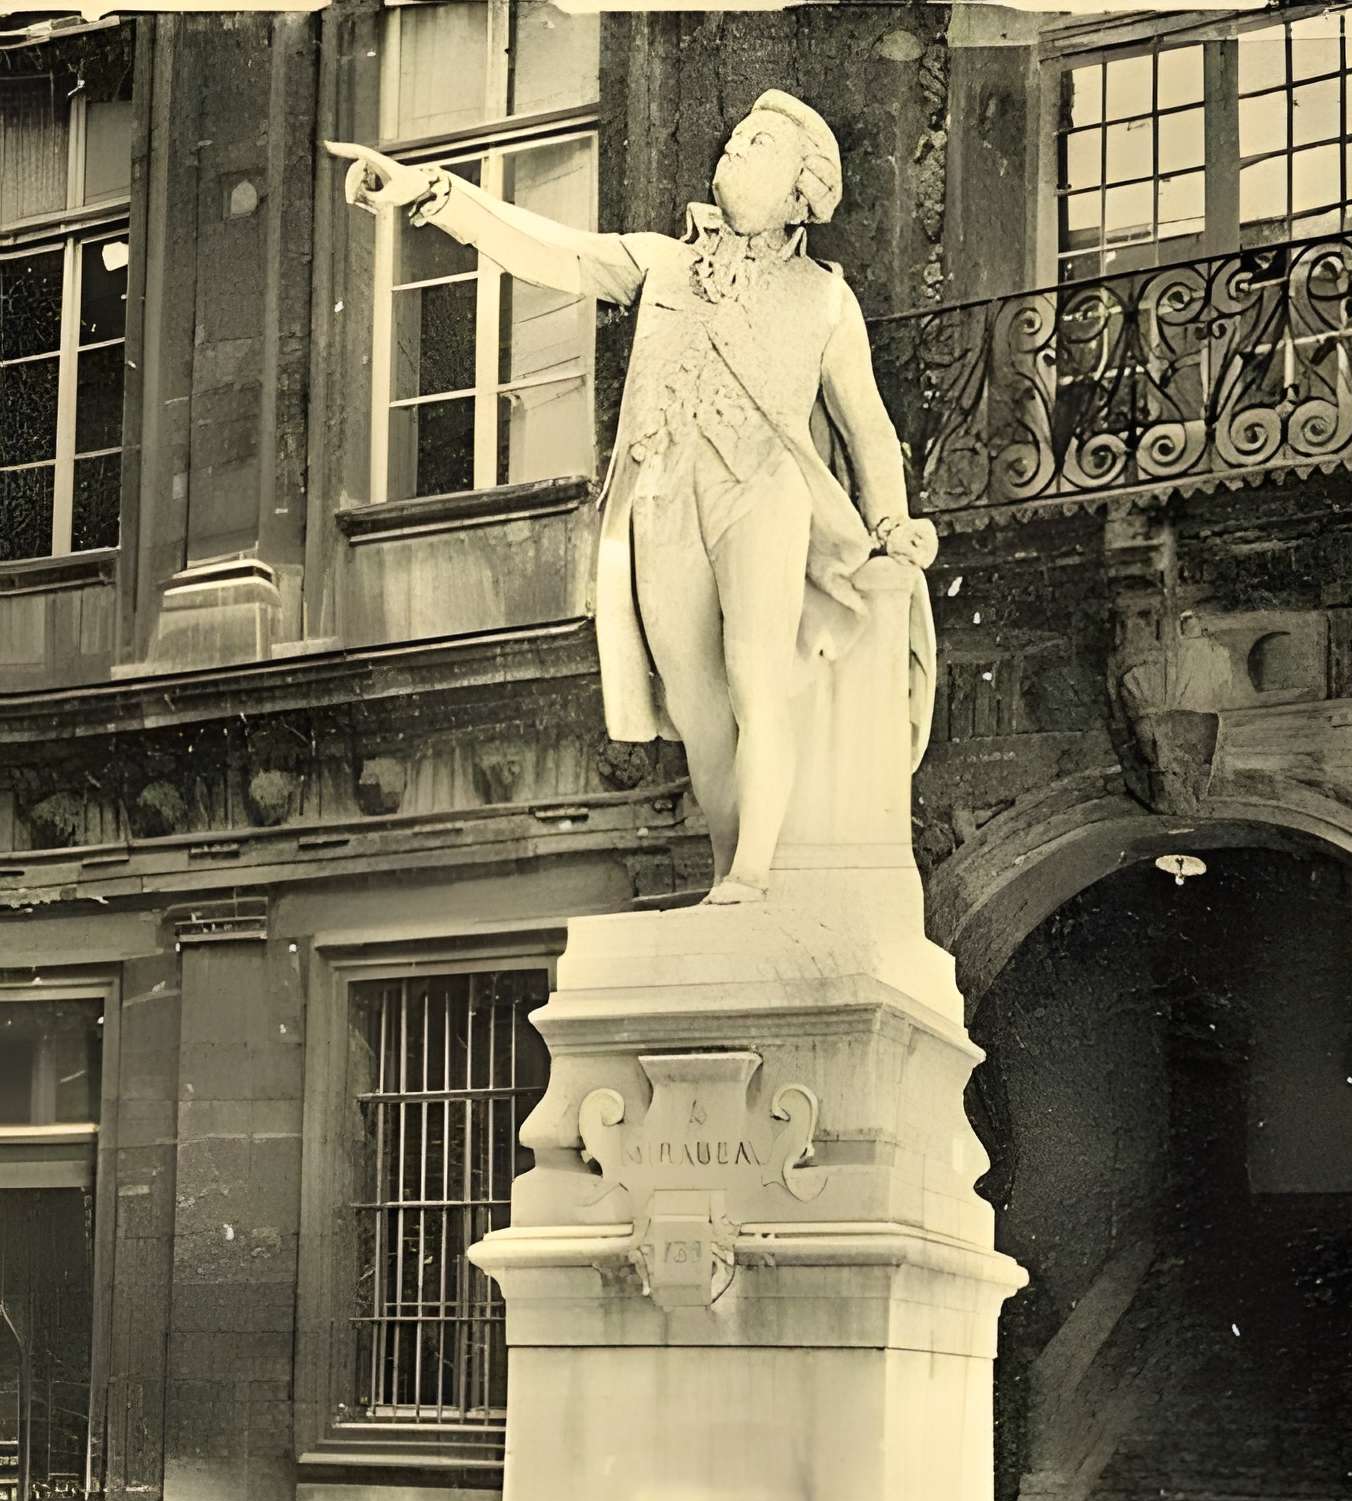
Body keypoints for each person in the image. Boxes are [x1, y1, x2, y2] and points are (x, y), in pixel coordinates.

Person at [331, 91, 938, 903]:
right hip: (661, 492)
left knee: (754, 673)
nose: (733, 149)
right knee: (694, 701)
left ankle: (752, 872)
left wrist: (891, 521)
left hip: (764, 484)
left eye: (759, 145)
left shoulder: (826, 299)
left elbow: (865, 425)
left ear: (803, 191)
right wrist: (435, 194)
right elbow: (553, 250)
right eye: (735, 138)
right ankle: (733, 869)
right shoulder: (662, 263)